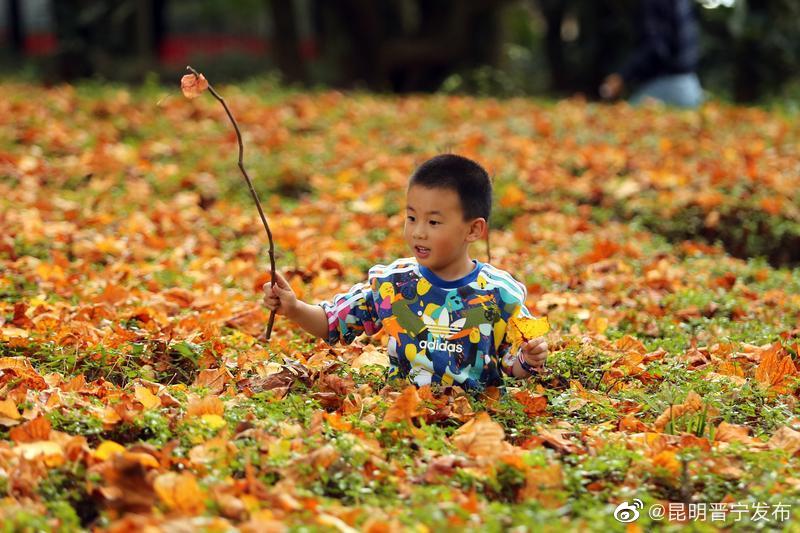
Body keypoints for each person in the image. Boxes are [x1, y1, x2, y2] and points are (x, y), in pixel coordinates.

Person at [263, 154, 549, 391]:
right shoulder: (393, 285)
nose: (418, 232)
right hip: (403, 410)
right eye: (411, 218)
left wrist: (528, 358)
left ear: (473, 229)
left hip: (474, 417)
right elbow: (333, 322)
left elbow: (514, 363)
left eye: (434, 222)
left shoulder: (498, 294)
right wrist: (295, 307)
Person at [599, 0, 703, 108]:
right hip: (691, 86)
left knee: (624, 118)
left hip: (668, 86)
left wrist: (622, 77)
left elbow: (654, 48)